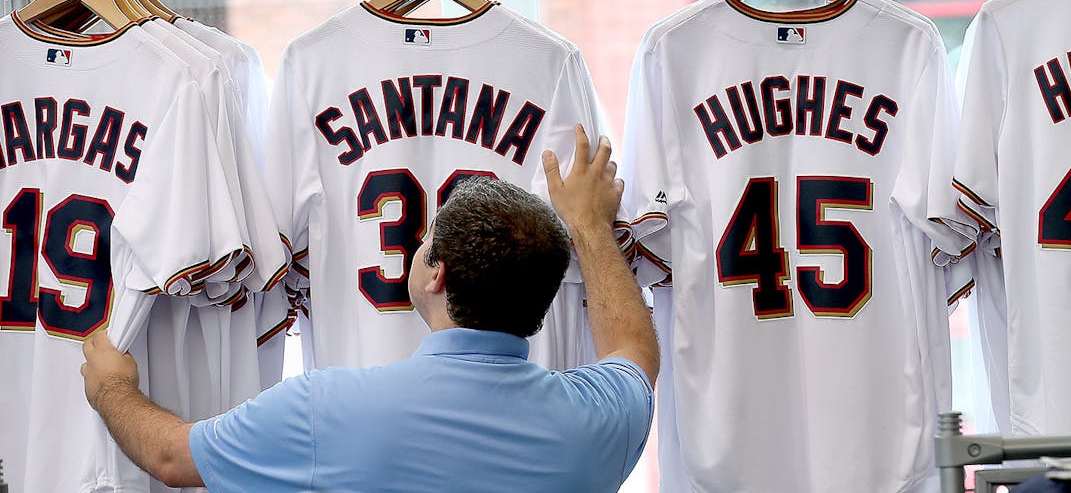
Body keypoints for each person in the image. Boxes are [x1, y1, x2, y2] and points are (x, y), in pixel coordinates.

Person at [80, 126, 659, 491]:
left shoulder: (321, 411)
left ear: (438, 275)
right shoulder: (597, 420)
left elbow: (171, 459)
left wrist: (112, 388)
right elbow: (633, 350)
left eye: (427, 240)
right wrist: (588, 223)